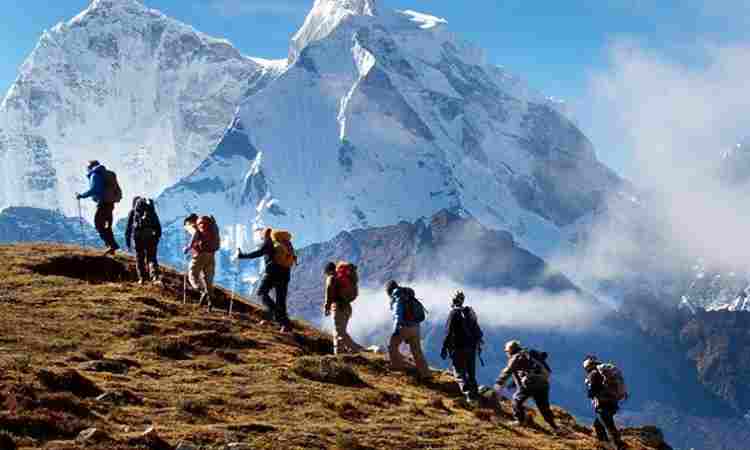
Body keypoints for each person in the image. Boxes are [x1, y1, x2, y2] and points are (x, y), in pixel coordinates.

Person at [238, 228, 295, 333]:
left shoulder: (269, 243)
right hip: (285, 274)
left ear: (265, 235)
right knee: (281, 300)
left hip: (272, 273)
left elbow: (258, 253)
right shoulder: (287, 245)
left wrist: (242, 256)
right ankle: (285, 325)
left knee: (261, 293)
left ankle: (274, 314)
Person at [495, 340, 559, 433]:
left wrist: (499, 383)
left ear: (510, 350)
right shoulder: (528, 354)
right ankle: (555, 427)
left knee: (516, 400)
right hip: (544, 383)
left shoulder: (516, 357)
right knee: (543, 406)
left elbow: (508, 371)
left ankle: (519, 421)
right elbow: (525, 371)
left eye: (506, 351)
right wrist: (513, 384)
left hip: (531, 383)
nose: (506, 353)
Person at [440, 291, 482, 403]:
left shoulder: (453, 313)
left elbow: (448, 332)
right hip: (471, 348)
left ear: (453, 301)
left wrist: (444, 348)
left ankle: (469, 396)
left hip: (458, 348)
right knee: (471, 373)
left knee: (459, 373)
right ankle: (476, 396)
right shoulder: (469, 313)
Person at [386, 280, 431, 380]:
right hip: (416, 327)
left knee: (392, 345)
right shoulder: (408, 295)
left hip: (404, 326)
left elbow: (397, 313)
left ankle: (396, 367)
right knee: (417, 351)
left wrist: (396, 329)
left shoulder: (397, 296)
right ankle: (426, 374)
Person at [75, 160, 120, 255]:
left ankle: (112, 245)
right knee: (107, 226)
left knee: (99, 224)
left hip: (103, 203)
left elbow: (95, 189)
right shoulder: (108, 174)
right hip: (111, 203)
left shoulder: (95, 174)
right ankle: (112, 248)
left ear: (90, 167)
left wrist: (81, 196)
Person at [584, 356, 626, 450]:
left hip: (603, 404)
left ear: (588, 366)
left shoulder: (593, 373)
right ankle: (606, 445)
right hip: (613, 403)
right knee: (598, 424)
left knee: (608, 426)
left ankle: (619, 445)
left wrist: (590, 393)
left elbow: (592, 390)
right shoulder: (604, 373)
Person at [324, 262, 364, 355]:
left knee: (339, 332)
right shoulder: (344, 278)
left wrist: (326, 306)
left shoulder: (331, 278)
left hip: (338, 307)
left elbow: (329, 292)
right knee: (340, 332)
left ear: (328, 271)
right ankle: (339, 354)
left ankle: (356, 349)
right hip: (347, 307)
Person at [183, 214, 219, 310]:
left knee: (192, 275)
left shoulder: (192, 226)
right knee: (208, 280)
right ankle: (210, 304)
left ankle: (202, 291)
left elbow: (195, 233)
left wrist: (188, 247)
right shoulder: (210, 227)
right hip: (211, 255)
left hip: (200, 255)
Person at [124, 197, 162, 284]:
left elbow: (128, 229)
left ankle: (142, 278)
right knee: (151, 258)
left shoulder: (133, 212)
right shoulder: (151, 211)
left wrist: (128, 243)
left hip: (138, 238)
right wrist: (156, 238)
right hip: (151, 237)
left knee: (139, 258)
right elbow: (158, 228)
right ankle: (155, 276)